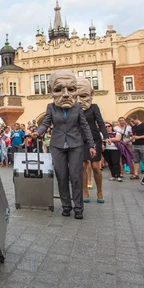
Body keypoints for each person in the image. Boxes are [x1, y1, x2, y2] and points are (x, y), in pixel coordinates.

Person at [34, 71, 95, 219]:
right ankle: (66, 206)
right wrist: (38, 132)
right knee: (61, 177)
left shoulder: (78, 107)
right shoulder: (51, 107)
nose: (65, 94)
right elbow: (46, 122)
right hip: (57, 145)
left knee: (76, 177)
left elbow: (85, 126)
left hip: (76, 145)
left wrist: (91, 144)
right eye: (59, 90)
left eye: (71, 90)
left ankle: (79, 208)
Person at [76, 78, 108, 204]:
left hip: (94, 138)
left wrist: (105, 136)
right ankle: (85, 191)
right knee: (83, 166)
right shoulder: (75, 108)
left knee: (95, 167)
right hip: (80, 139)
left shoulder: (94, 107)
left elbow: (100, 122)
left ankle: (99, 190)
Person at [129, 114, 144, 179]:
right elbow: (133, 135)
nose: (132, 123)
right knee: (135, 160)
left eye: (133, 121)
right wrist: (131, 138)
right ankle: (136, 174)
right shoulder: (133, 127)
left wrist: (139, 137)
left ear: (136, 119)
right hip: (134, 145)